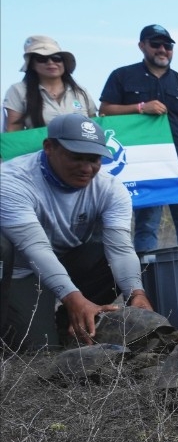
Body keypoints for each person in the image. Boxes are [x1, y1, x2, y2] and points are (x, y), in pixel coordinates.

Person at [0, 114, 152, 348]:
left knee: (113, 252)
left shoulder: (110, 189)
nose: (86, 168)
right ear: (49, 147)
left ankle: (68, 322)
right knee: (37, 351)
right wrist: (72, 297)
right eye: (76, 158)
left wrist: (136, 293)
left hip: (67, 259)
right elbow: (35, 248)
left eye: (94, 160)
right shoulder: (11, 181)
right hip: (23, 268)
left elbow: (121, 249)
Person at [99, 24, 178, 252]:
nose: (162, 49)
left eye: (167, 45)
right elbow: (105, 111)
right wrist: (140, 107)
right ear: (142, 46)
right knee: (146, 225)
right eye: (155, 44)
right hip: (143, 163)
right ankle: (145, 279)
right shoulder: (122, 76)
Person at [4, 35, 97, 131]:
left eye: (56, 58)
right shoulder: (18, 90)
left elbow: (95, 124)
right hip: (41, 146)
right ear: (32, 65)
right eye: (41, 59)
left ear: (63, 62)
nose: (50, 62)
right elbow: (14, 131)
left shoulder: (81, 92)